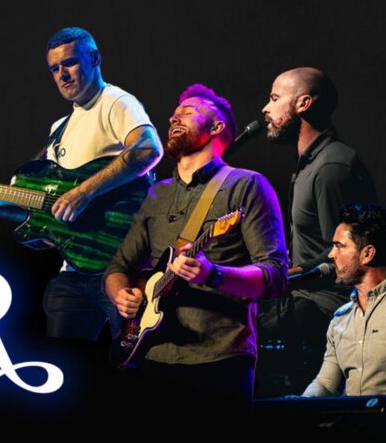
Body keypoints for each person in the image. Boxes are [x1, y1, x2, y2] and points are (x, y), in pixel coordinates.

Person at [0, 27, 163, 340]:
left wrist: (83, 192)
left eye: (70, 64)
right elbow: (45, 213)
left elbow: (148, 149)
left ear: (94, 59)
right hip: (73, 272)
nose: (62, 75)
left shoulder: (114, 101)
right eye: (54, 69)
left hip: (120, 268)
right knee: (65, 371)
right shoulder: (59, 127)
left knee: (133, 360)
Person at [103, 84, 288, 409]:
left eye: (188, 112)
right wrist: (121, 295)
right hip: (151, 357)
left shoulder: (246, 186)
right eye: (174, 114)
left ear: (217, 127)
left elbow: (274, 276)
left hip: (218, 362)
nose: (175, 117)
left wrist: (213, 275)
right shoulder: (156, 194)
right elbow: (118, 268)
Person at [258, 67, 378, 387]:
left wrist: (289, 275)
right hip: (304, 301)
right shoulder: (310, 165)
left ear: (303, 104)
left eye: (274, 98)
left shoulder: (331, 167)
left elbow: (345, 255)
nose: (265, 109)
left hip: (327, 309)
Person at [303, 203, 386, 400]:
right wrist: (296, 407)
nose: (331, 255)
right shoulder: (340, 318)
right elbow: (326, 384)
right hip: (352, 428)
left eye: (339, 246)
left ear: (367, 253)